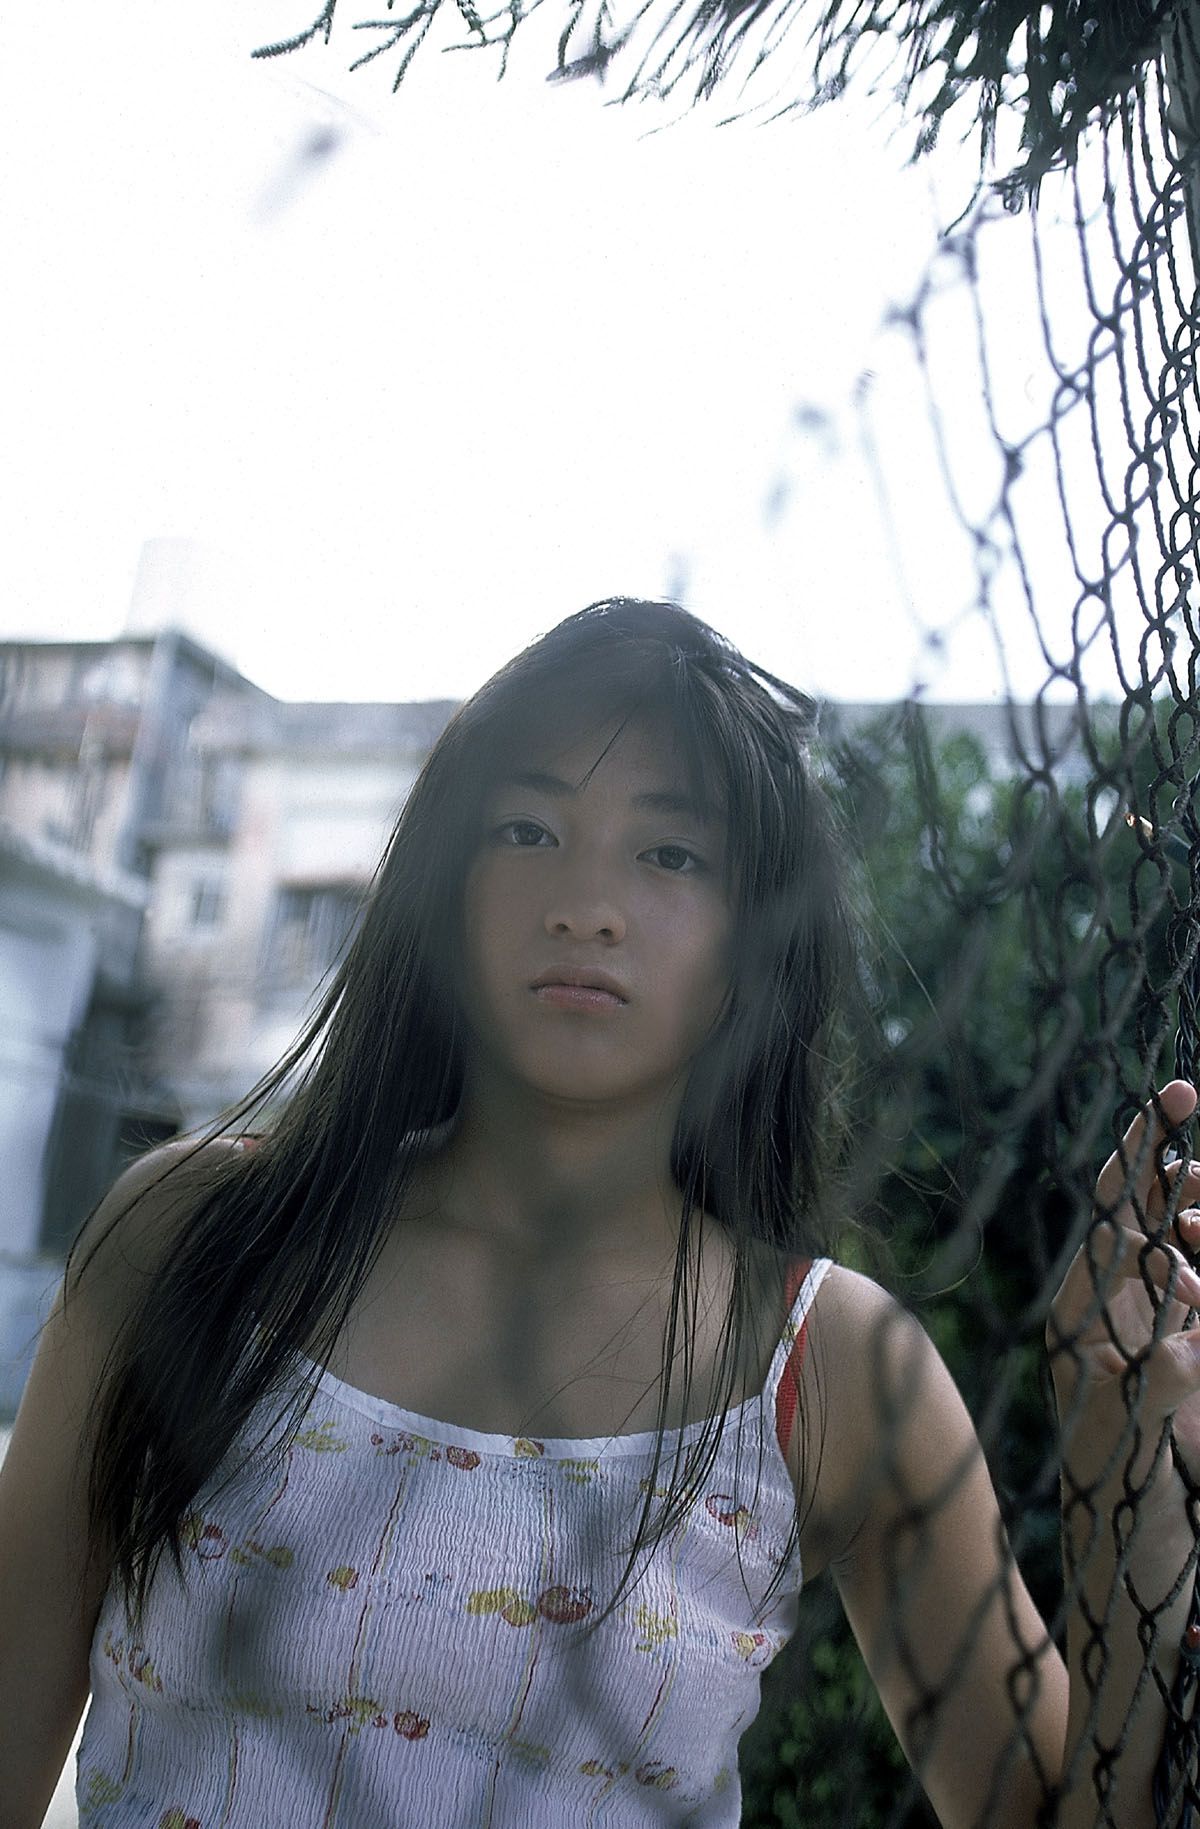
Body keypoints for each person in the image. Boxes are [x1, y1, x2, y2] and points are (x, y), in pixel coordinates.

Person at [1, 597, 1198, 1829]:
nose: (586, 904)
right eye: (528, 829)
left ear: (755, 942)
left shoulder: (830, 1364)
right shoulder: (196, 1235)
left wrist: (1135, 1508)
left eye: (670, 854)